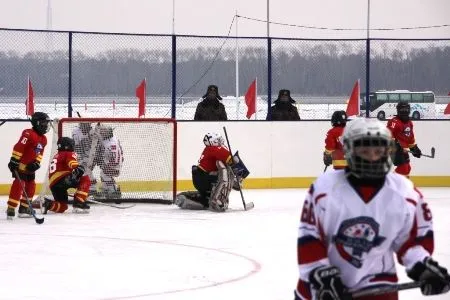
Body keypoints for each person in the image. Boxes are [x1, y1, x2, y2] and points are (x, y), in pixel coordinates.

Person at [295, 117, 449, 300]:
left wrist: (421, 266)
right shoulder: (323, 189)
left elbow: (412, 241)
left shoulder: (405, 193)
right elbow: (310, 237)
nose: (372, 156)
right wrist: (319, 272)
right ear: (349, 150)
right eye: (364, 150)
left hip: (377, 284)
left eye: (378, 150)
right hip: (321, 290)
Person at [175, 132, 249, 212]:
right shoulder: (214, 149)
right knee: (225, 171)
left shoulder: (209, 149)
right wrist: (239, 174)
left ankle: (192, 198)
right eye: (218, 140)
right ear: (213, 142)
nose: (221, 142)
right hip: (204, 179)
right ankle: (217, 201)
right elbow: (231, 160)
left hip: (200, 178)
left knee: (207, 200)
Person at [6, 112, 50, 219]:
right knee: (19, 185)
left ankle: (24, 208)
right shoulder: (28, 133)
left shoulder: (44, 139)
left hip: (30, 169)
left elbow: (40, 153)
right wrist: (14, 160)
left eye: (46, 123)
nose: (46, 125)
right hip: (20, 166)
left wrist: (36, 163)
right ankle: (11, 208)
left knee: (31, 187)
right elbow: (19, 146)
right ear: (37, 123)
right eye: (44, 122)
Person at [43, 137, 91, 213]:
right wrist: (77, 167)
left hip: (53, 184)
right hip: (63, 178)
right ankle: (79, 202)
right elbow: (71, 162)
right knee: (85, 178)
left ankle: (49, 204)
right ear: (67, 146)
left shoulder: (57, 155)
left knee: (63, 206)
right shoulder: (68, 153)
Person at [387, 101, 422, 177]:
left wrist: (414, 148)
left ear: (409, 110)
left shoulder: (409, 123)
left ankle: (401, 185)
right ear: (398, 110)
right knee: (403, 168)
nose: (404, 112)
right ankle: (391, 183)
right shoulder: (394, 122)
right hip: (394, 150)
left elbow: (410, 138)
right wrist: (395, 145)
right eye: (402, 110)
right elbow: (387, 134)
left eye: (406, 110)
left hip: (402, 150)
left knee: (407, 168)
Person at [95, 126, 124, 201]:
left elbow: (112, 157)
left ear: (108, 133)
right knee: (103, 174)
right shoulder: (113, 137)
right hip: (116, 163)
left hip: (114, 165)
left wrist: (104, 163)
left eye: (104, 132)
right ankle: (107, 190)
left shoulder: (109, 144)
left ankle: (115, 192)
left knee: (105, 175)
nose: (101, 133)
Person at [72, 122, 98, 195]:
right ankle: (88, 187)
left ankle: (92, 188)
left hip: (90, 154)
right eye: (84, 124)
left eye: (87, 124)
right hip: (80, 154)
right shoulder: (76, 132)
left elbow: (95, 146)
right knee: (83, 170)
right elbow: (76, 146)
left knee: (86, 170)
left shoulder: (92, 132)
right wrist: (79, 157)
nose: (86, 126)